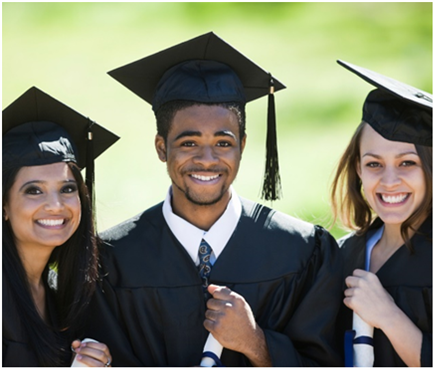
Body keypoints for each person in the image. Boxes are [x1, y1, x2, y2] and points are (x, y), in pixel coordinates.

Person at [85, 32, 343, 367]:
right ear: (162, 148)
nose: (207, 159)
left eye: (223, 143)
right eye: (189, 143)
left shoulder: (302, 251)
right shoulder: (112, 260)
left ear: (242, 146)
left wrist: (257, 344)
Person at [2, 87, 120, 367]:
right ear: (4, 206)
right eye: (34, 191)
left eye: (67, 188)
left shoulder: (57, 293)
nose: (56, 205)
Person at [330, 60, 432, 367]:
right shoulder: (345, 253)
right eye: (374, 164)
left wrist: (388, 315)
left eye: (407, 163)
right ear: (358, 169)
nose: (389, 181)